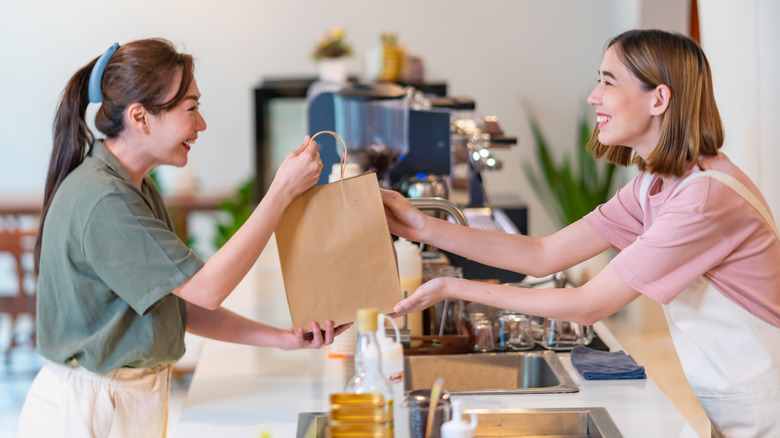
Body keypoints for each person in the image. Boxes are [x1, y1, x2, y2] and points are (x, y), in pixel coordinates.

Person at [383, 29, 780, 438]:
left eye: (608, 81)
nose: (593, 97)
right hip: (733, 406)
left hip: (767, 409)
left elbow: (588, 304)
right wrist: (422, 225)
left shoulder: (704, 197)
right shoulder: (654, 186)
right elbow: (542, 254)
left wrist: (453, 287)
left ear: (658, 99)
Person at [17, 38, 347, 437]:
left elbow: (180, 303)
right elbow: (207, 290)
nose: (201, 123)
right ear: (140, 118)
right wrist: (280, 193)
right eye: (191, 108)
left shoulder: (132, 186)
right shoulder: (105, 200)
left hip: (121, 401)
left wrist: (281, 339)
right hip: (92, 412)